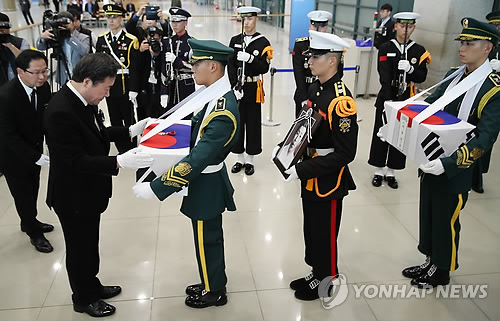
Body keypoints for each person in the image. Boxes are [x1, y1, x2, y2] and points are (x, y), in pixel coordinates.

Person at [44, 53, 153, 317]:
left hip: (88, 192)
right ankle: (83, 299)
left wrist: (129, 131)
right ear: (88, 81)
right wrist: (117, 162)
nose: (106, 96)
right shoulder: (61, 111)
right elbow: (74, 161)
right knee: (80, 249)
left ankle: (91, 285)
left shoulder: (82, 100)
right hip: (73, 195)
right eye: (105, 89)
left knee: (89, 245)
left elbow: (97, 132)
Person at [133, 39, 238, 309]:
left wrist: (158, 187)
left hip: (207, 184)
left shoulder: (222, 110)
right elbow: (191, 128)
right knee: (205, 236)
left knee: (208, 238)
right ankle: (210, 279)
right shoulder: (212, 95)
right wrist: (156, 128)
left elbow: (199, 158)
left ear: (213, 66)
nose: (192, 69)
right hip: (202, 182)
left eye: (196, 64)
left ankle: (214, 290)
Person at [401, 18, 500, 288]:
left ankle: (442, 270)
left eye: (470, 43)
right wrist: (403, 118)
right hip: (432, 154)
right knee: (429, 210)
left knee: (447, 217)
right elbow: (432, 105)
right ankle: (430, 259)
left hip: (458, 165)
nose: (462, 48)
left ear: (487, 48)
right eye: (462, 42)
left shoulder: (494, 89)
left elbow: (485, 138)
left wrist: (450, 163)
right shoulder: (454, 75)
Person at [278, 30, 357, 301]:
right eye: (310, 56)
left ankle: (327, 279)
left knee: (325, 231)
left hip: (327, 177)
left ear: (332, 60)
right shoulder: (316, 88)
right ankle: (316, 271)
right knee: (311, 227)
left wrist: (303, 169)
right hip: (310, 169)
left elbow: (346, 153)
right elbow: (306, 126)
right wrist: (288, 148)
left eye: (316, 57)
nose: (309, 61)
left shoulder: (341, 100)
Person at [368, 12, 430, 189]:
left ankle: (392, 171)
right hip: (387, 96)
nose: (406, 30)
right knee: (381, 132)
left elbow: (422, 76)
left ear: (414, 28)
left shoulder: (418, 51)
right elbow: (384, 75)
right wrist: (389, 101)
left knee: (401, 135)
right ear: (396, 27)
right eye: (402, 26)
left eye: (410, 26)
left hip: (406, 98)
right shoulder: (386, 47)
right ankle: (379, 169)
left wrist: (411, 69)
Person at [0, 50, 53, 253]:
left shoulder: (43, 88)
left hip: (34, 149)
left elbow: (43, 119)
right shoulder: (6, 96)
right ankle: (34, 233)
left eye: (45, 71)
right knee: (22, 194)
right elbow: (8, 135)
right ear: (20, 71)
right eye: (36, 72)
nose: (41, 77)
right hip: (12, 155)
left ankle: (29, 221)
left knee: (33, 189)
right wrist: (35, 156)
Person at [228, 6, 273, 176]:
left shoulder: (263, 42)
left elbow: (265, 67)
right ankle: (239, 158)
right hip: (238, 87)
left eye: (249, 19)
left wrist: (251, 59)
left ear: (256, 20)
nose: (246, 23)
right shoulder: (235, 40)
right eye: (243, 19)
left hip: (253, 87)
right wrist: (234, 85)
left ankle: (250, 159)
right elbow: (230, 65)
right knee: (238, 122)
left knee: (253, 122)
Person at [96, 4, 140, 153]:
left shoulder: (130, 40)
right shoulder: (102, 40)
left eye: (114, 17)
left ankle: (131, 145)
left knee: (128, 117)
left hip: (124, 84)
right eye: (109, 17)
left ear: (121, 19)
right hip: (108, 86)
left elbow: (134, 67)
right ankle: (121, 147)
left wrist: (133, 89)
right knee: (113, 116)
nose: (111, 20)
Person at [471, 10, 500, 194]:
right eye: (494, 26)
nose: (497, 29)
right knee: (475, 130)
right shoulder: (485, 43)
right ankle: (472, 172)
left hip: (496, 98)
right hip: (482, 93)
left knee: (489, 135)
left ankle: (479, 173)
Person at [292, 10, 332, 117]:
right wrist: (304, 97)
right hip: (305, 89)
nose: (318, 30)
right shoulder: (301, 45)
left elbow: (338, 72)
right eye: (315, 26)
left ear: (326, 27)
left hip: (325, 92)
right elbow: (298, 72)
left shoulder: (332, 46)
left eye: (322, 26)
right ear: (310, 26)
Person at [36, 11, 90, 87]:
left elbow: (84, 52)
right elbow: (40, 47)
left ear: (73, 23)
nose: (64, 26)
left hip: (79, 77)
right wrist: (42, 38)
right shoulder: (58, 38)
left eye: (67, 23)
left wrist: (70, 37)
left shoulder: (83, 37)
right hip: (63, 77)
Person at [160, 7, 194, 112]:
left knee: (186, 120)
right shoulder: (168, 42)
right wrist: (163, 92)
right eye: (172, 21)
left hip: (186, 86)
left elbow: (193, 67)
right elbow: (164, 68)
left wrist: (176, 61)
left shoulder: (192, 43)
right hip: (171, 86)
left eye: (178, 21)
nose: (174, 25)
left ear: (185, 22)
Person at [0, 13, 30, 86]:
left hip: (18, 85)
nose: (2, 30)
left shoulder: (20, 42)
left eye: (5, 26)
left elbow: (26, 60)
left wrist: (10, 46)